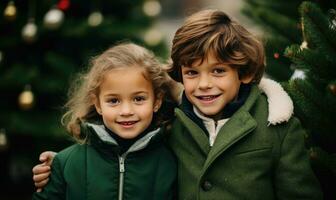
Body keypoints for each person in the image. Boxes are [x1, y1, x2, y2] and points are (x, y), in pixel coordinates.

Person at [33, 9, 323, 200]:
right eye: (192, 73)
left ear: (244, 73)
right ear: (181, 75)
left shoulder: (277, 127)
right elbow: (124, 146)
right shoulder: (171, 120)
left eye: (219, 71)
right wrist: (60, 165)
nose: (204, 84)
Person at [32, 42, 177, 200]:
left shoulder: (173, 161)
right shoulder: (66, 163)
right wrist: (58, 167)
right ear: (98, 104)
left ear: (157, 101)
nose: (126, 111)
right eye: (114, 101)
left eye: (138, 98)